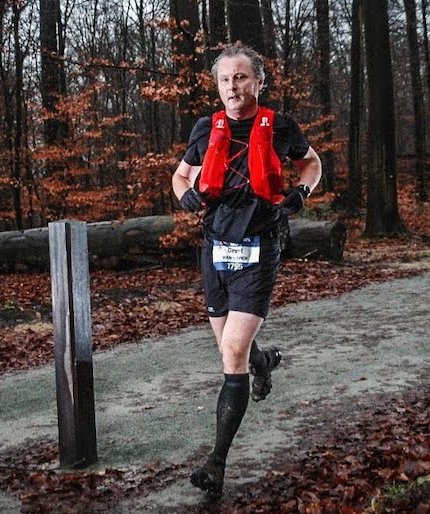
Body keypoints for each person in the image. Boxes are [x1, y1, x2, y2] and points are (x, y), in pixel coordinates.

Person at [171, 43, 322, 497]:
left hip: (260, 245)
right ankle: (265, 363)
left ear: (258, 82)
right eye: (224, 80)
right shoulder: (205, 128)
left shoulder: (280, 126)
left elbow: (312, 163)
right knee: (231, 351)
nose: (232, 87)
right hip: (215, 247)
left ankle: (215, 464)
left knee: (232, 350)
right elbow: (180, 175)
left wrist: (301, 193)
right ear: (217, 87)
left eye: (240, 78)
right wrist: (185, 195)